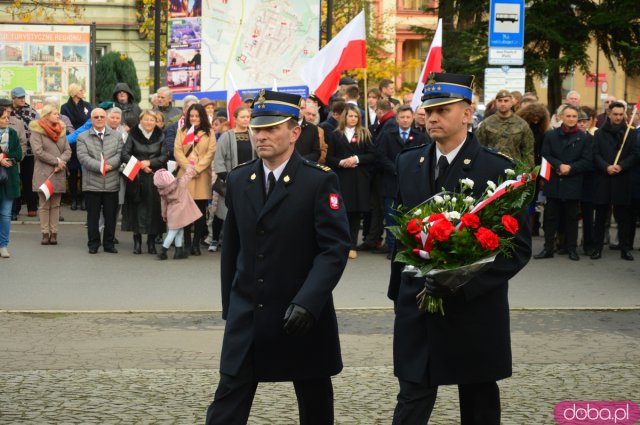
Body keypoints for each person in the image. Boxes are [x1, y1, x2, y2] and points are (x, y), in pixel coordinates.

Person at [388, 72, 531, 425]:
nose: (432, 117)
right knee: (412, 397)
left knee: (478, 399)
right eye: (429, 109)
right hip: (418, 303)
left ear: (467, 113)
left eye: (443, 110)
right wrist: (398, 295)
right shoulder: (409, 162)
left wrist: (462, 283)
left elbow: (517, 247)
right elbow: (401, 234)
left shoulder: (498, 170)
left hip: (473, 310)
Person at [205, 89, 351, 425]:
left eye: (272, 128)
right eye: (258, 128)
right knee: (229, 398)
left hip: (299, 311)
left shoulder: (318, 180)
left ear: (295, 132)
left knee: (314, 399)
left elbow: (334, 249)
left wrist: (309, 302)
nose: (262, 135)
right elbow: (233, 248)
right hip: (249, 311)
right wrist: (231, 305)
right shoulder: (241, 179)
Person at [533, 105, 592, 261]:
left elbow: (587, 161)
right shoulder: (551, 136)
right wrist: (559, 165)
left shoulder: (584, 138)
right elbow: (545, 155)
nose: (571, 119)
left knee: (572, 218)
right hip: (553, 181)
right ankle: (548, 248)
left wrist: (570, 168)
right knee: (550, 218)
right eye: (568, 116)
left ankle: (572, 249)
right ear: (561, 117)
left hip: (573, 182)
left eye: (574, 116)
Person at [377, 104, 429, 257]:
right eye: (402, 117)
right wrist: (396, 169)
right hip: (391, 184)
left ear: (413, 118)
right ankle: (393, 250)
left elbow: (425, 156)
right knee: (392, 218)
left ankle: (408, 249)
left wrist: (409, 171)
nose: (405, 120)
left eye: (408, 117)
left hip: (411, 184)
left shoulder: (420, 136)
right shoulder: (387, 135)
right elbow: (381, 156)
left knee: (409, 218)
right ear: (397, 118)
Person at [326, 103, 376, 260]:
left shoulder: (364, 133)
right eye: (350, 116)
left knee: (355, 214)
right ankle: (342, 244)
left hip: (358, 179)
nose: (353, 119)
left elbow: (372, 155)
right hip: (341, 178)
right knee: (341, 213)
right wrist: (341, 162)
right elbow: (329, 158)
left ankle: (352, 245)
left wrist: (356, 158)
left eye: (356, 116)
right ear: (344, 117)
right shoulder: (335, 134)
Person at [591, 101, 638, 261]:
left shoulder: (629, 133)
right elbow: (595, 154)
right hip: (604, 178)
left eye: (620, 114)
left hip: (622, 179)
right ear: (609, 114)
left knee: (623, 217)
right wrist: (606, 167)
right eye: (615, 114)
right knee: (601, 217)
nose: (618, 117)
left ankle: (625, 248)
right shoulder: (599, 133)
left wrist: (621, 166)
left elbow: (635, 154)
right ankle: (597, 248)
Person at [121, 110, 168, 254]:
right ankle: (137, 241)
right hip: (136, 176)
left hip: (154, 176)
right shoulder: (133, 134)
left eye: (152, 120)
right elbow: (125, 154)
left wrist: (150, 162)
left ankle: (152, 242)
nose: (149, 122)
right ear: (141, 120)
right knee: (136, 208)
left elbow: (165, 155)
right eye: (146, 119)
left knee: (154, 209)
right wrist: (140, 164)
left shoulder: (160, 135)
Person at [76, 108, 123, 254]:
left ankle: (109, 244)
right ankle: (93, 244)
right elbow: (83, 157)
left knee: (110, 217)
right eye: (96, 117)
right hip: (92, 184)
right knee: (93, 217)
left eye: (102, 116)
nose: (99, 119)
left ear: (106, 118)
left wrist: (109, 166)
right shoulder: (82, 137)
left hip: (111, 183)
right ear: (91, 119)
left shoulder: (116, 136)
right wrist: (101, 167)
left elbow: (120, 154)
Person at [210, 106, 255, 253]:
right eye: (242, 117)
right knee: (223, 211)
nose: (246, 119)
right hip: (230, 179)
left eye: (248, 117)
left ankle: (243, 241)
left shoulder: (253, 135)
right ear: (235, 119)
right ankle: (215, 239)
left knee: (247, 212)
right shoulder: (226, 136)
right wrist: (228, 177)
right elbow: (219, 159)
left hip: (250, 180)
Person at [174, 103, 216, 255]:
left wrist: (197, 168)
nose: (194, 118)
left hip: (202, 176)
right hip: (185, 174)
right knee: (184, 211)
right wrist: (189, 168)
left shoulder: (209, 132)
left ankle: (196, 243)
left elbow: (211, 153)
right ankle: (186, 242)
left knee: (199, 212)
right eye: (191, 116)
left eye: (197, 116)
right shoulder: (182, 131)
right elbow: (177, 151)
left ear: (202, 116)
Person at [29, 105, 71, 245]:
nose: (57, 116)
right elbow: (38, 152)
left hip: (58, 173)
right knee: (44, 205)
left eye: (58, 114)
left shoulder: (62, 130)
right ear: (46, 115)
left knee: (56, 206)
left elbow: (67, 150)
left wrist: (62, 160)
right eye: (54, 114)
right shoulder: (36, 131)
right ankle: (45, 233)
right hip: (43, 173)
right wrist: (57, 161)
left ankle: (54, 233)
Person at [475, 89, 535, 167]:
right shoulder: (487, 123)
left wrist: (527, 173)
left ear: (511, 103)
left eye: (506, 101)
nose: (503, 104)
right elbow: (479, 148)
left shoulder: (522, 124)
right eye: (500, 101)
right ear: (496, 103)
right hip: (492, 167)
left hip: (514, 168)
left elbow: (528, 151)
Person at [153, 167, 202, 260]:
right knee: (173, 232)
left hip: (172, 212)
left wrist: (164, 215)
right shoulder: (180, 184)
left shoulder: (162, 192)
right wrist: (191, 167)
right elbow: (188, 175)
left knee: (179, 231)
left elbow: (163, 205)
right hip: (181, 212)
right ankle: (163, 251)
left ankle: (178, 251)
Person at [60, 84, 92, 211]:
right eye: (80, 90)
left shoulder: (88, 105)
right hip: (71, 143)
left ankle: (83, 199)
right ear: (73, 92)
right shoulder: (65, 107)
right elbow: (65, 123)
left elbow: (90, 123)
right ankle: (73, 199)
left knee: (85, 172)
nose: (82, 91)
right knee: (72, 172)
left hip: (86, 142)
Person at [10, 87, 39, 219]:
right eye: (19, 98)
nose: (22, 100)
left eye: (23, 97)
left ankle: (32, 207)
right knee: (14, 180)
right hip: (13, 152)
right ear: (13, 98)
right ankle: (14, 209)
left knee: (29, 180)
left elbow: (38, 129)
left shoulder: (32, 111)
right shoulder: (7, 111)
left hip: (29, 152)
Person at [0, 104, 22, 258]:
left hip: (9, 179)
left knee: (6, 215)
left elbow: (19, 154)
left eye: (8, 117)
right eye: (3, 117)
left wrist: (5, 158)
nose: (7, 120)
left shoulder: (13, 133)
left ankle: (3, 245)